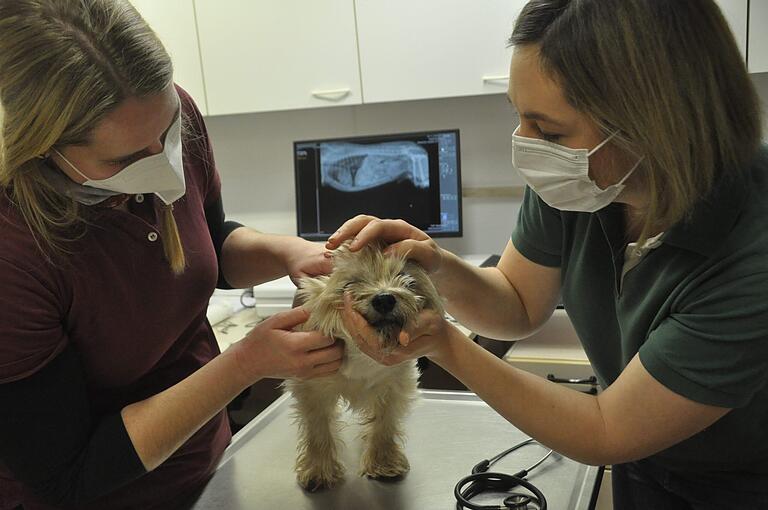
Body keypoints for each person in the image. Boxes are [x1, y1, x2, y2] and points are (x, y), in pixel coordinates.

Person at [327, 0, 768, 507]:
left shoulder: (750, 247)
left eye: (550, 131)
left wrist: (443, 343)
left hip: (743, 482)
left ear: (654, 122)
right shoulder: (582, 177)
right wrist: (435, 263)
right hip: (641, 470)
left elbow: (607, 430)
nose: (527, 145)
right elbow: (515, 304)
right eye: (520, 118)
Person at [0, 1, 344, 509]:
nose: (164, 169)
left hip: (208, 468)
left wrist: (286, 251)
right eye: (125, 160)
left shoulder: (162, 114)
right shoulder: (14, 250)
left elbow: (208, 242)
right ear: (41, 144)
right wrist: (244, 364)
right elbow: (65, 475)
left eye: (168, 135)